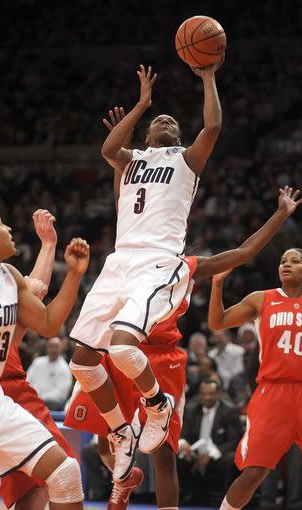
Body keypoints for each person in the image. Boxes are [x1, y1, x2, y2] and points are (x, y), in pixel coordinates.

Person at [65, 185, 302, 510]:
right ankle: (122, 479)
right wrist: (123, 156)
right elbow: (128, 202)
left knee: (164, 456)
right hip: (118, 349)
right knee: (106, 442)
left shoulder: (188, 267)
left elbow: (245, 251)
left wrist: (279, 214)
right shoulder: (131, 258)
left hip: (161, 360)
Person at [68, 61, 224, 482]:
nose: (167, 120)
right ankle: (121, 431)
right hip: (120, 260)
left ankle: (157, 406)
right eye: (160, 119)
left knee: (120, 348)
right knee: (82, 361)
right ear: (147, 133)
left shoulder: (187, 160)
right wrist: (141, 106)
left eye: (172, 120)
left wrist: (208, 76)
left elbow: (211, 128)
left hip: (157, 262)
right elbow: (107, 150)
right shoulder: (133, 158)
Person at [208, 247, 302, 510]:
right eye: (282, 261)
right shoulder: (261, 299)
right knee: (255, 472)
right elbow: (217, 322)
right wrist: (218, 283)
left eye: (294, 261)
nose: (286, 265)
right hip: (274, 392)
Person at [0, 206, 89, 509]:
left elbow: (49, 323)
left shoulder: (8, 278)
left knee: (65, 474)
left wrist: (73, 275)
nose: (10, 228)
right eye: (0, 224)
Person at [0, 209, 79, 510]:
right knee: (61, 472)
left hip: (6, 388)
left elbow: (36, 313)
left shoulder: (4, 275)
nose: (6, 226)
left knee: (39, 483)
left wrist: (47, 246)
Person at [177, 379, 243, 506]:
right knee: (177, 456)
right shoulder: (191, 409)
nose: (207, 397)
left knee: (230, 459)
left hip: (218, 455)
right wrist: (183, 443)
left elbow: (234, 441)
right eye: (204, 393)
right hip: (194, 454)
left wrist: (211, 455)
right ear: (199, 394)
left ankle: (226, 500)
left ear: (218, 394)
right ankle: (187, 494)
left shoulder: (230, 411)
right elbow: (181, 433)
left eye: (211, 393)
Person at [27, 336, 73, 410]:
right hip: (33, 399)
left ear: (60, 348)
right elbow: (27, 381)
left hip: (50, 403)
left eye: (56, 347)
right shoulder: (37, 362)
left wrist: (41, 397)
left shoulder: (64, 368)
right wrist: (33, 396)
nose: (53, 350)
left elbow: (61, 394)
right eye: (51, 346)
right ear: (47, 347)